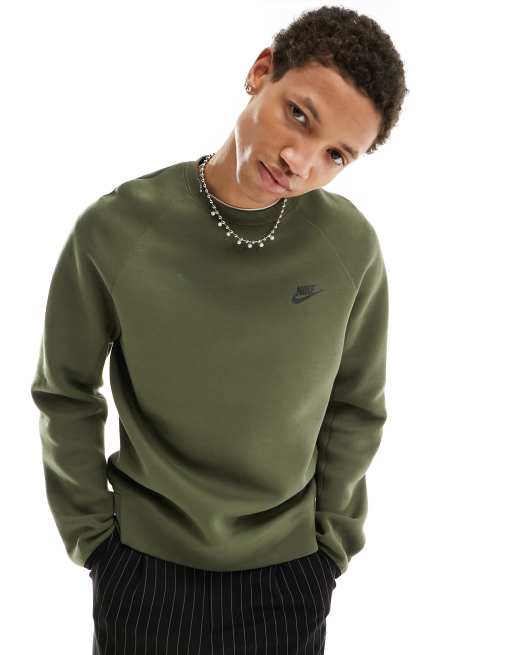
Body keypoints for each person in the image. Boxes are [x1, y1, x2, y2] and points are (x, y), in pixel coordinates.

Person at [30, 6, 408, 654]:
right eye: (299, 115)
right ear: (261, 72)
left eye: (335, 154)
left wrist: (331, 547)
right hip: (142, 568)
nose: (299, 161)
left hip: (287, 576)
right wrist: (92, 539)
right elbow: (64, 391)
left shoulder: (348, 247)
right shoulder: (116, 229)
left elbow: (356, 406)